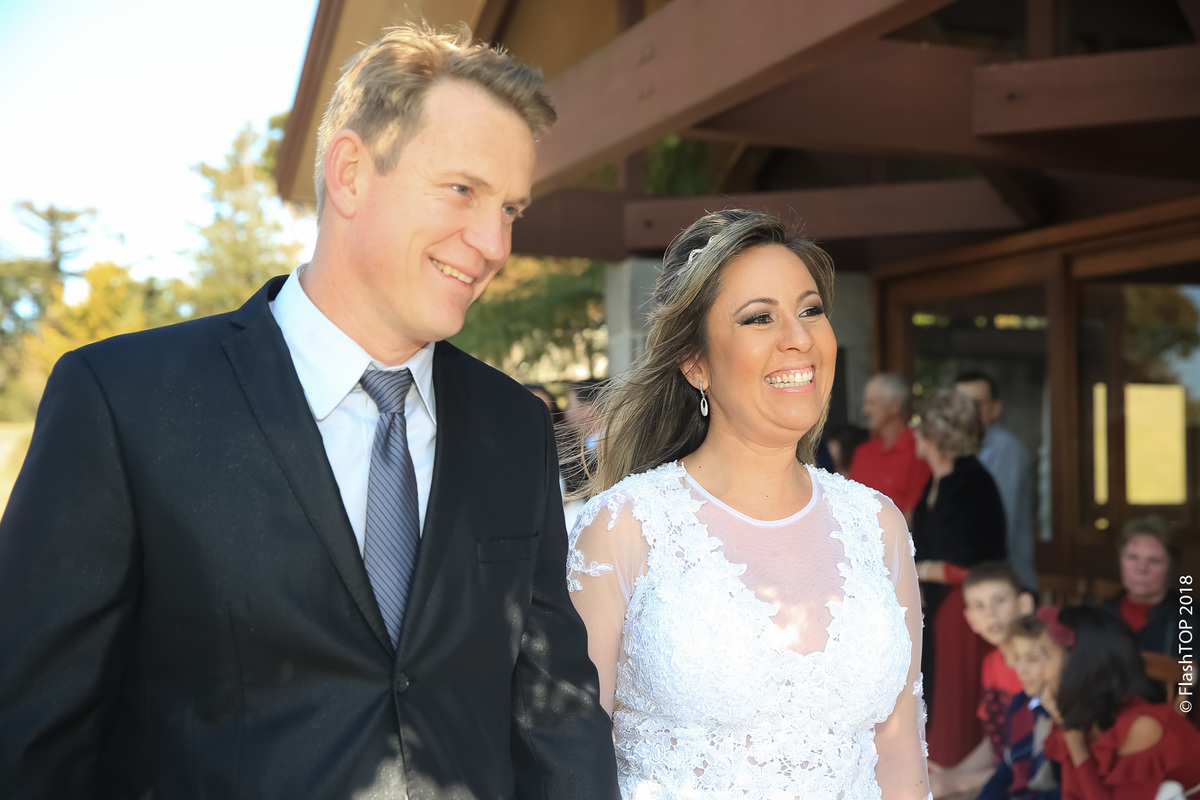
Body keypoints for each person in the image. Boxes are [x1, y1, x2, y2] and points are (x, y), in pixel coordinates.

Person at [0, 23, 619, 799]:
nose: (493, 241)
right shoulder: (124, 403)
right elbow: (31, 741)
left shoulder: (514, 427)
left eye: (512, 210)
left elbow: (553, 715)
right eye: (463, 190)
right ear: (351, 173)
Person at [567, 209, 931, 799]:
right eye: (760, 317)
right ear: (695, 362)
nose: (799, 337)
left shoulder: (877, 525)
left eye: (810, 309)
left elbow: (898, 750)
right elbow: (574, 757)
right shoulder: (625, 527)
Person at [912, 388, 1008, 767]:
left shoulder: (974, 484)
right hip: (939, 605)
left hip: (964, 610)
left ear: (938, 437)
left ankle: (955, 779)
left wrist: (919, 571)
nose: (915, 434)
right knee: (937, 698)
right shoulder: (939, 479)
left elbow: (977, 563)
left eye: (921, 427)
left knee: (954, 704)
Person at [1039, 605, 1200, 800]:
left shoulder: (1141, 727)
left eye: (1043, 658)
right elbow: (1074, 794)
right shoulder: (1083, 709)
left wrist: (1076, 747)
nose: (1035, 670)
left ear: (1078, 669)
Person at [929, 561, 1033, 798]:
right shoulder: (991, 665)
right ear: (970, 620)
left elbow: (1040, 754)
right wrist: (951, 774)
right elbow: (995, 740)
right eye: (979, 606)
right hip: (1002, 775)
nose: (990, 613)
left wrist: (959, 782)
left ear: (1024, 604)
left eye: (999, 600)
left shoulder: (1038, 667)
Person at [954, 371, 1037, 591]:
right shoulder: (958, 452)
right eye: (961, 404)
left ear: (995, 409)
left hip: (1005, 585)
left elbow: (997, 526)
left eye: (976, 404)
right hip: (975, 583)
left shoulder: (1004, 448)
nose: (967, 412)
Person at [976, 614, 1061, 800]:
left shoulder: (1068, 714)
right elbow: (1006, 771)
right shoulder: (1020, 704)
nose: (1021, 668)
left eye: (1032, 659)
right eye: (1018, 657)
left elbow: (1065, 789)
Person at [850, 373, 931, 522]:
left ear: (894, 406)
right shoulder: (862, 453)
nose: (865, 410)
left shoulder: (920, 450)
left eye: (871, 403)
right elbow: (850, 509)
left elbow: (915, 516)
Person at [1101, 516, 1185, 657]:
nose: (1141, 569)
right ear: (1120, 560)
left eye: (1154, 560)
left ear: (1171, 566)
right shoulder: (1100, 616)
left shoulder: (1191, 622)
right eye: (1132, 557)